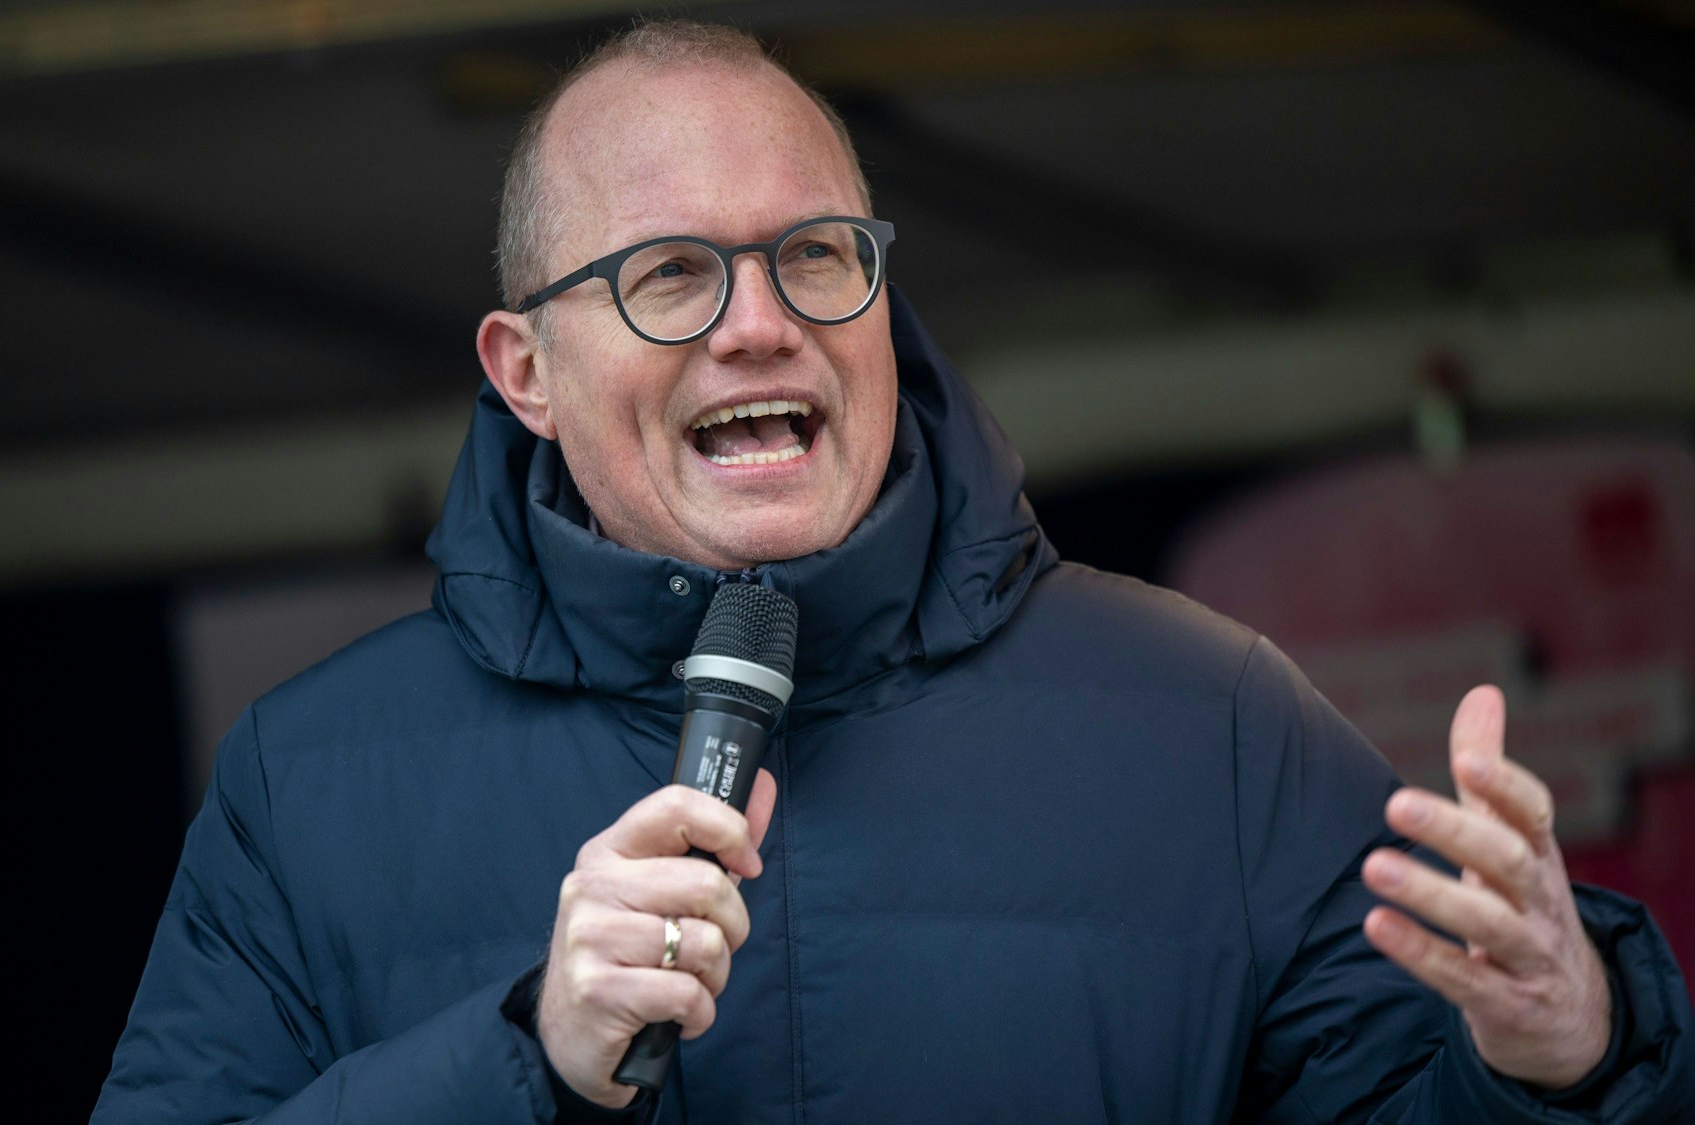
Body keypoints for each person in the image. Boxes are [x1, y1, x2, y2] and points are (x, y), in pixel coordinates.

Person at [91, 21, 1693, 1124]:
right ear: (525, 368)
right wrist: (531, 1061)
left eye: (814, 254)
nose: (758, 320)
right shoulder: (311, 781)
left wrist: (1569, 1053)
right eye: (669, 275)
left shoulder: (1208, 720)